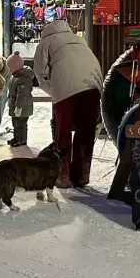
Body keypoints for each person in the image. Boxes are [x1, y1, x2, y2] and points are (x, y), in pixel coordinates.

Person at [34, 20, 103, 188]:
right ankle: (81, 176)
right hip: (93, 85)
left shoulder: (45, 42)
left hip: (65, 87)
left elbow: (41, 74)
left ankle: (62, 177)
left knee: (62, 133)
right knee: (86, 132)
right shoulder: (79, 39)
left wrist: (55, 93)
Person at [6, 52, 34, 147]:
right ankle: (17, 138)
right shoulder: (15, 76)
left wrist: (19, 107)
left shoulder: (23, 79)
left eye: (10, 67)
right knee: (15, 123)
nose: (9, 69)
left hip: (23, 107)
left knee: (20, 124)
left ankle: (21, 139)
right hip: (15, 105)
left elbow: (22, 95)